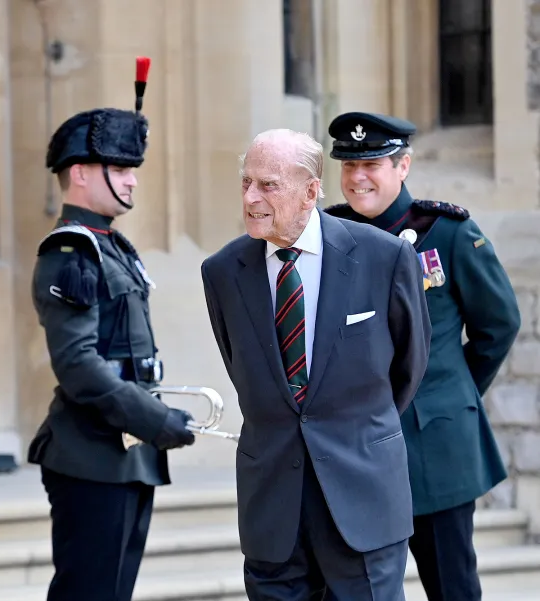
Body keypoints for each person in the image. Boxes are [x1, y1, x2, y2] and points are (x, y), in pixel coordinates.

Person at [200, 128, 432, 600]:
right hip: (273, 507)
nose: (250, 197)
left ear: (310, 191)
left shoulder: (384, 257)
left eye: (268, 185)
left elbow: (408, 368)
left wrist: (355, 427)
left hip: (362, 496)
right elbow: (245, 370)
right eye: (246, 182)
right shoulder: (223, 271)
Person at [323, 111, 520, 601]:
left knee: (451, 587)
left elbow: (499, 324)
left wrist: (453, 393)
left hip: (434, 447)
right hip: (356, 450)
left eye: (372, 164)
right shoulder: (329, 234)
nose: (357, 177)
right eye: (348, 167)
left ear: (403, 166)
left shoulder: (448, 232)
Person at [27, 59, 196, 601]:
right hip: (92, 454)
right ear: (80, 173)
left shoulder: (112, 245)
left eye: (132, 168)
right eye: (119, 169)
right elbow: (78, 365)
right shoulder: (72, 249)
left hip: (125, 454)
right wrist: (154, 418)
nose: (132, 179)